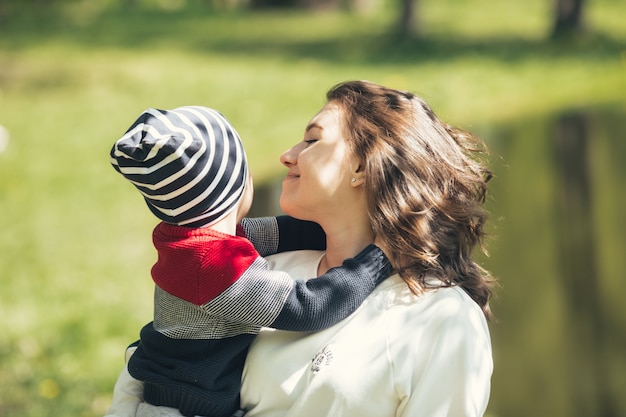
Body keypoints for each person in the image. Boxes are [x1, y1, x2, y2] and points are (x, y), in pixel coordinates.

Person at [107, 80, 497, 417]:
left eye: (312, 140)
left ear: (364, 168)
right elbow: (151, 369)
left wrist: (391, 245)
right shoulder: (263, 269)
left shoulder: (441, 320)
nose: (287, 154)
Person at [106, 105, 391, 417]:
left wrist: (343, 222)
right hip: (182, 409)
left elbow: (285, 233)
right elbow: (308, 307)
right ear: (235, 186)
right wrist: (378, 257)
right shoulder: (214, 268)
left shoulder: (198, 241)